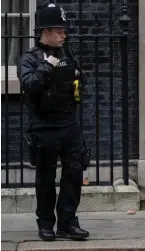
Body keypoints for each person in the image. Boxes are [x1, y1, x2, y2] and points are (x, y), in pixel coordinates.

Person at [17, 3, 90, 241]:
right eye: (59, 31)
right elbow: (29, 85)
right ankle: (46, 223)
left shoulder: (68, 54)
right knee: (46, 179)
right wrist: (47, 67)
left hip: (69, 125)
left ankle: (68, 222)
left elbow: (81, 79)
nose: (64, 35)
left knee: (74, 175)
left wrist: (78, 75)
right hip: (43, 127)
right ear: (46, 31)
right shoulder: (29, 58)